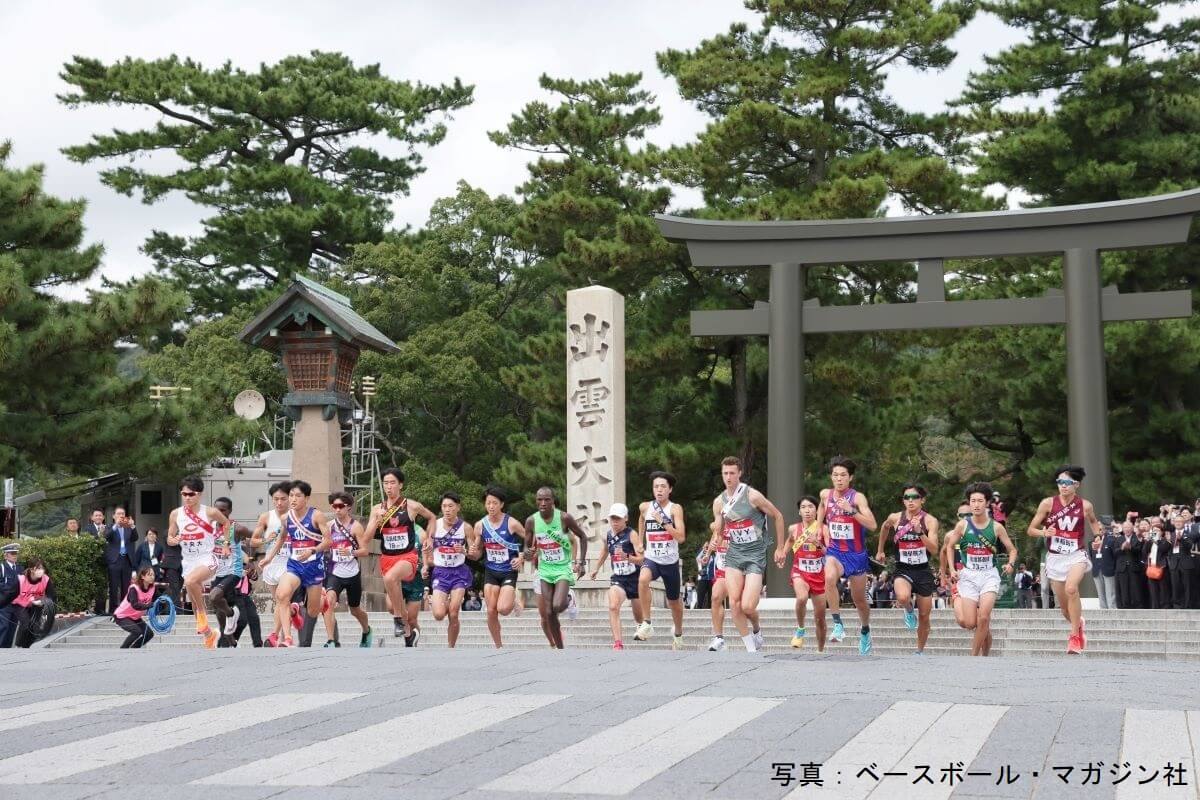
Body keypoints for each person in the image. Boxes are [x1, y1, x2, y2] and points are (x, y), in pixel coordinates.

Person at [711, 456, 787, 654]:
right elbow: (719, 531)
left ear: (739, 473)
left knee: (747, 605)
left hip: (755, 554)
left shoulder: (752, 495)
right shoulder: (719, 503)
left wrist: (779, 548)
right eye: (725, 473)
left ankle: (757, 629)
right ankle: (751, 649)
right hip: (734, 554)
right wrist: (714, 541)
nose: (728, 477)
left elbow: (778, 515)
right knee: (734, 603)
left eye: (732, 473)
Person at [1026, 465, 1103, 654]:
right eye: (1060, 482)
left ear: (1076, 484)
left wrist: (1098, 538)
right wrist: (1044, 531)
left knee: (1071, 588)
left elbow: (1093, 522)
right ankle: (1078, 624)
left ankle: (1074, 637)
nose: (1063, 486)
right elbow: (1030, 529)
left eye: (1067, 482)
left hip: (1076, 554)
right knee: (1064, 609)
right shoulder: (1047, 504)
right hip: (1055, 557)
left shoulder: (1085, 505)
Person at [942, 482, 1016, 656]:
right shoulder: (963, 526)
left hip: (989, 575)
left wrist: (1010, 564)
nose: (976, 504)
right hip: (968, 576)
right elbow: (950, 547)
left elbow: (1012, 549)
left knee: (983, 616)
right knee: (969, 623)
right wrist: (952, 569)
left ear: (987, 503)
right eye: (973, 501)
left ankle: (975, 657)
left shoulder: (997, 527)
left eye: (980, 501)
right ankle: (984, 634)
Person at [362, 468, 436, 639]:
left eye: (393, 483)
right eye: (386, 483)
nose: (389, 487)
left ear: (400, 485)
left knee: (389, 579)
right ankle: (409, 634)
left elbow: (431, 517)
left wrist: (430, 538)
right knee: (392, 603)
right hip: (387, 558)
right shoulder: (377, 509)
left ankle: (398, 620)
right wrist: (375, 521)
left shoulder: (411, 505)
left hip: (407, 557)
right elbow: (365, 540)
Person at [817, 456, 878, 655]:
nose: (839, 479)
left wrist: (850, 511)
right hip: (835, 552)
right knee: (828, 578)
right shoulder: (826, 494)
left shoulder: (857, 498)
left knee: (859, 600)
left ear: (850, 477)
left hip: (857, 555)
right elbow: (821, 507)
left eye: (843, 475)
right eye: (835, 475)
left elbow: (872, 525)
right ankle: (837, 624)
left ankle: (865, 630)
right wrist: (819, 526)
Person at [260, 480, 332, 647]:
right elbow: (282, 538)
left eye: (298, 496)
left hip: (313, 566)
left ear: (306, 498)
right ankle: (287, 638)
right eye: (291, 495)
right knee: (281, 595)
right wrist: (269, 558)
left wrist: (312, 550)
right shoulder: (286, 518)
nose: (293, 499)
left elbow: (328, 541)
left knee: (313, 610)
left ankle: (323, 600)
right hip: (295, 566)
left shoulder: (316, 515)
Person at [167, 476, 230, 648]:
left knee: (190, 581)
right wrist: (173, 540)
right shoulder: (176, 514)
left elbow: (226, 524)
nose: (187, 497)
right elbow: (170, 538)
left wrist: (225, 544)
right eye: (184, 494)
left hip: (207, 558)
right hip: (188, 561)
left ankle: (203, 615)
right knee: (194, 601)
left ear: (199, 494)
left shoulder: (209, 512)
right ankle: (210, 635)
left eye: (191, 494)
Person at [876, 484, 939, 654]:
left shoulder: (930, 521)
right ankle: (909, 610)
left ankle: (919, 650)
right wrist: (880, 549)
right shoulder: (896, 517)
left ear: (922, 500)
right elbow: (884, 527)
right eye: (906, 497)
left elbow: (934, 549)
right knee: (903, 597)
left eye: (915, 497)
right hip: (903, 568)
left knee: (925, 616)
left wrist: (920, 533)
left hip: (923, 571)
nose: (910, 501)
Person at [524, 486, 587, 649]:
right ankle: (560, 649)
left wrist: (581, 562)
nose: (543, 503)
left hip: (562, 568)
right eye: (539, 499)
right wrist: (528, 553)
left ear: (553, 501)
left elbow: (582, 536)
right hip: (544, 570)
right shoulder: (531, 521)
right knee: (549, 612)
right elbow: (526, 549)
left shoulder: (564, 518)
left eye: (547, 499)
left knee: (557, 606)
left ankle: (569, 599)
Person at [632, 471, 686, 649]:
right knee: (642, 579)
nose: (659, 490)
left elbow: (681, 537)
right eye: (656, 486)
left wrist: (664, 522)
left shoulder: (675, 508)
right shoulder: (645, 507)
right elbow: (640, 520)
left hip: (670, 562)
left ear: (670, 489)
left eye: (663, 486)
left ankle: (678, 634)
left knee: (674, 602)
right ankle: (647, 623)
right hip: (652, 558)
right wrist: (640, 541)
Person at [424, 491, 478, 649]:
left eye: (451, 506)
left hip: (459, 572)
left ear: (458, 507)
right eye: (444, 506)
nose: (447, 509)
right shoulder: (434, 526)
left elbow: (474, 555)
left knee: (454, 613)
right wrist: (426, 566)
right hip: (440, 572)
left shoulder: (466, 528)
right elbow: (426, 547)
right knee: (439, 615)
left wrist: (464, 551)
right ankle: (445, 601)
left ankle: (451, 647)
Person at [476, 486, 526, 648]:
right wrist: (467, 551)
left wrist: (522, 557)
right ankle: (499, 646)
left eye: (495, 503)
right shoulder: (480, 525)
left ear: (502, 504)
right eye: (488, 503)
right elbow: (477, 551)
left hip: (508, 571)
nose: (491, 506)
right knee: (491, 611)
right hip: (491, 571)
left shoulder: (511, 523)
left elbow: (532, 540)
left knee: (503, 609)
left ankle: (513, 599)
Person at [588, 503, 644, 649]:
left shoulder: (632, 534)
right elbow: (605, 551)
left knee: (638, 615)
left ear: (626, 518)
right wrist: (596, 568)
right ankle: (618, 643)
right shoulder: (608, 535)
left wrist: (627, 557)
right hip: (618, 578)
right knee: (613, 606)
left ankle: (641, 625)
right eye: (612, 518)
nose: (615, 522)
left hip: (634, 578)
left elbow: (642, 559)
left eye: (618, 518)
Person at [321, 491, 372, 648]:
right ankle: (331, 640)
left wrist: (351, 552)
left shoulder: (355, 526)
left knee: (355, 609)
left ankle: (366, 630)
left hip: (352, 573)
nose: (337, 509)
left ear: (348, 507)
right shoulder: (329, 526)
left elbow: (365, 551)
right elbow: (322, 545)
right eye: (334, 506)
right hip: (334, 572)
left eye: (340, 506)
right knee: (328, 603)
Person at [250, 482, 290, 646]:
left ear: (290, 498)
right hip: (271, 564)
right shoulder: (266, 517)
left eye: (283, 499)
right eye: (276, 499)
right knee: (280, 602)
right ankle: (277, 636)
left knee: (283, 599)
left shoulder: (295, 516)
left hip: (290, 563)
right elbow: (253, 541)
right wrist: (266, 539)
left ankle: (282, 636)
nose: (279, 503)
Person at [789, 496, 828, 652]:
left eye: (811, 507)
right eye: (804, 507)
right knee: (802, 597)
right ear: (799, 511)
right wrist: (782, 553)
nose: (807, 510)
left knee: (820, 619)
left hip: (819, 575)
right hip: (800, 571)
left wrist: (817, 543)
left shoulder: (823, 529)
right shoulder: (793, 528)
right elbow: (789, 542)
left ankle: (820, 650)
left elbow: (831, 552)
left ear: (817, 510)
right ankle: (800, 628)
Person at [699, 519, 731, 651]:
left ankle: (756, 631)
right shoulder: (717, 528)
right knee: (716, 598)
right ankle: (719, 638)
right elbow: (714, 538)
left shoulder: (744, 523)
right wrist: (707, 554)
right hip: (722, 571)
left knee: (744, 606)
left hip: (739, 569)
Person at [12, 558, 56, 648]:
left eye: (42, 568)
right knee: (26, 624)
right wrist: (31, 601)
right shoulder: (22, 578)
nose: (41, 571)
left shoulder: (46, 579)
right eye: (38, 568)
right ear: (32, 569)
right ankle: (18, 646)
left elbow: (51, 596)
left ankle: (26, 647)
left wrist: (44, 602)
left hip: (37, 605)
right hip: (21, 605)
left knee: (35, 627)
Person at [102, 507, 138, 615]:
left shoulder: (128, 527)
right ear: (114, 516)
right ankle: (113, 610)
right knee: (114, 586)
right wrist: (116, 526)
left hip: (126, 559)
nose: (121, 515)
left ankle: (124, 609)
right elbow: (106, 536)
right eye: (118, 514)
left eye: (123, 513)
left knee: (125, 586)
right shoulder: (109, 526)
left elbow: (135, 538)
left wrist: (132, 526)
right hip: (114, 560)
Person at [113, 565, 159, 648]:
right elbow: (135, 605)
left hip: (135, 617)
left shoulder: (152, 588)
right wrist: (149, 605)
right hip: (122, 616)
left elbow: (158, 598)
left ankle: (134, 649)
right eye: (149, 575)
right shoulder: (134, 588)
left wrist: (165, 599)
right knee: (136, 632)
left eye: (153, 575)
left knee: (149, 634)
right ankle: (123, 649)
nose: (152, 577)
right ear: (142, 576)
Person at [1165, 511, 1198, 609]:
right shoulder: (1170, 534)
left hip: (1186, 563)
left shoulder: (1189, 533)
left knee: (1187, 585)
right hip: (1174, 563)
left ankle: (1187, 605)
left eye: (1180, 521)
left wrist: (1181, 539)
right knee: (1175, 585)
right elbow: (1165, 549)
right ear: (1174, 523)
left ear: (1184, 523)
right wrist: (1167, 541)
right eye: (1176, 521)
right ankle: (1177, 605)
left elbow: (1189, 546)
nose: (1178, 523)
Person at [83, 508, 109, 615]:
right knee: (92, 585)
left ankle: (101, 609)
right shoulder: (88, 529)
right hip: (93, 561)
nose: (98, 517)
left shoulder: (108, 528)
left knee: (103, 586)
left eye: (100, 515)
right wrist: (100, 535)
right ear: (92, 518)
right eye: (96, 515)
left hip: (105, 561)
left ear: (103, 517)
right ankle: (89, 608)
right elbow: (89, 542)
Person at [1112, 519, 1143, 609]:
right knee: (1123, 587)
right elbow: (1114, 553)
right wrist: (1122, 548)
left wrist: (1131, 547)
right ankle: (1125, 606)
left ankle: (1137, 605)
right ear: (1122, 528)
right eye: (1125, 527)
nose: (1127, 529)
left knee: (1135, 587)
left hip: (1134, 566)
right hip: (1122, 567)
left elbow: (1140, 550)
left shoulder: (1137, 538)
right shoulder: (1119, 539)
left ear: (1132, 528)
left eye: (1129, 527)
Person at [1088, 527, 1118, 609]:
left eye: (1100, 529)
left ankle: (1112, 609)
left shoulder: (1110, 541)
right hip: (1097, 570)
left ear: (1104, 530)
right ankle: (1103, 610)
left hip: (1108, 569)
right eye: (1097, 529)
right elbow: (1091, 556)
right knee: (1100, 593)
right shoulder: (1091, 543)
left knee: (1110, 592)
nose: (1099, 531)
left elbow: (1114, 556)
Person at [0, 543, 22, 647]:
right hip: (5, 604)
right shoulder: (2, 567)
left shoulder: (19, 568)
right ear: (6, 555)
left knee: (12, 628)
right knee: (4, 627)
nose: (15, 556)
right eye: (12, 553)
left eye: (16, 553)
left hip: (16, 604)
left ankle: (7, 651)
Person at [694, 542, 714, 610]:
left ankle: (711, 609)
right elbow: (697, 557)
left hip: (711, 579)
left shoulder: (713, 557)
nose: (707, 549)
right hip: (702, 579)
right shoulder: (700, 558)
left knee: (711, 597)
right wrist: (703, 548)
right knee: (700, 596)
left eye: (708, 548)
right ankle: (698, 609)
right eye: (706, 547)